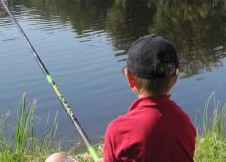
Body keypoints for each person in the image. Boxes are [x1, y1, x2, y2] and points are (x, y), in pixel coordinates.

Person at [46, 34, 196, 162]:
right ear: (175, 78)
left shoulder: (119, 130)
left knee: (56, 159)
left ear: (129, 78)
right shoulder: (185, 124)